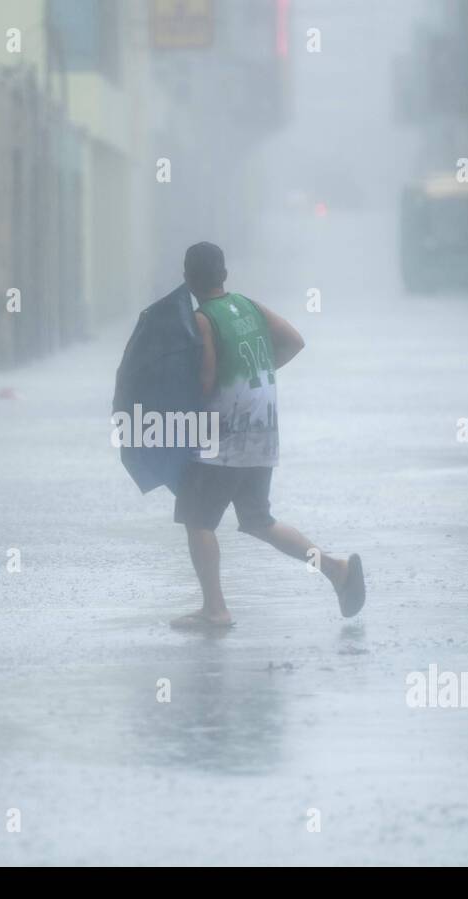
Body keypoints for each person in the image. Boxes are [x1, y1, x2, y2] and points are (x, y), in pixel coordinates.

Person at [170, 242, 365, 630]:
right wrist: (260, 371)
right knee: (260, 520)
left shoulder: (203, 319)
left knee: (198, 520)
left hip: (224, 438)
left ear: (188, 279)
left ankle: (215, 609)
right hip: (262, 432)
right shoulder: (249, 306)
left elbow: (207, 379)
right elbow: (294, 340)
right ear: (224, 275)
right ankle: (335, 569)